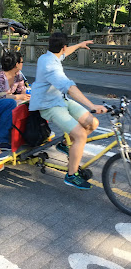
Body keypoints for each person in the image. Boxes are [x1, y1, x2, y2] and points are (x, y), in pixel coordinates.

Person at [29, 32, 107, 189]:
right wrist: (92, 106)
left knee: (93, 123)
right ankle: (71, 175)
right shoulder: (49, 65)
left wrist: (79, 45)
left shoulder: (49, 56)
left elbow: (65, 53)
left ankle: (65, 144)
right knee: (80, 135)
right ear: (62, 47)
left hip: (60, 100)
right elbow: (70, 88)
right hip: (49, 105)